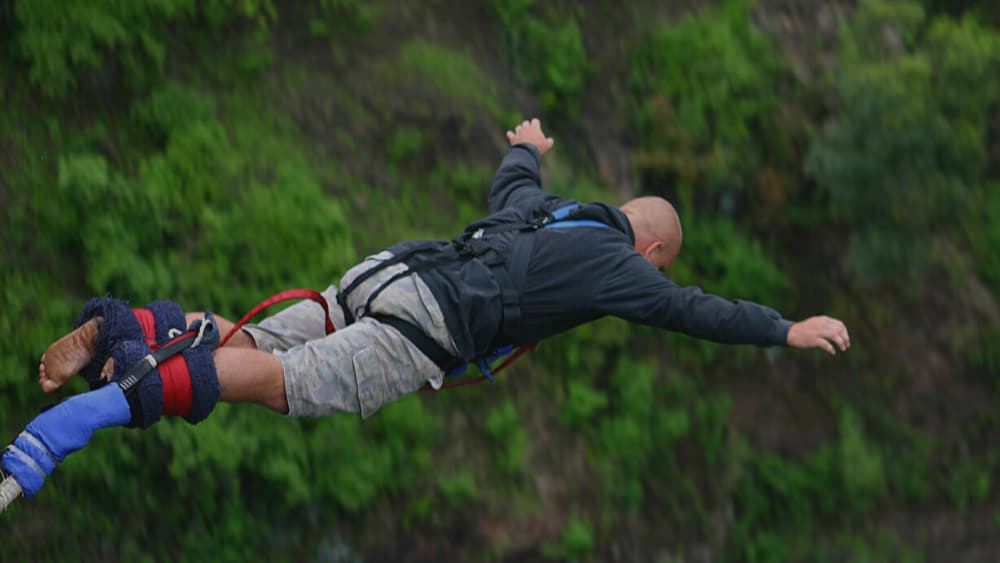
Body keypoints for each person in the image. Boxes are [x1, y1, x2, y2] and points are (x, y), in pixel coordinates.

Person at [4, 119, 849, 498]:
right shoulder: (618, 267)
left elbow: (513, 176)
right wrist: (785, 326)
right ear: (654, 251)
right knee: (280, 381)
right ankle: (106, 406)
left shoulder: (556, 210)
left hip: (387, 272)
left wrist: (526, 142)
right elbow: (695, 312)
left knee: (254, 338)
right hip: (427, 326)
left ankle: (135, 329)